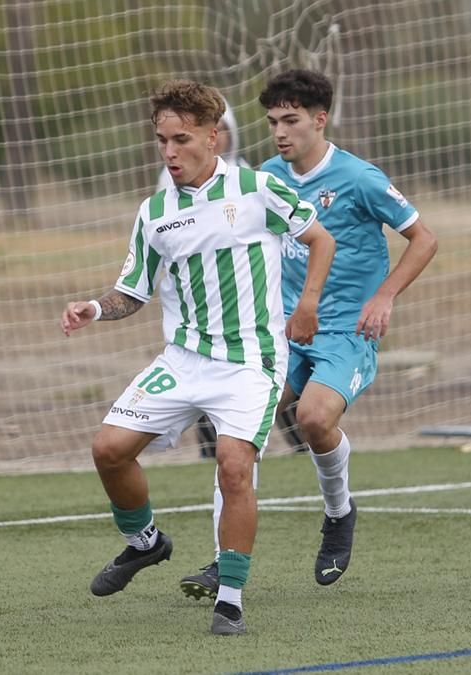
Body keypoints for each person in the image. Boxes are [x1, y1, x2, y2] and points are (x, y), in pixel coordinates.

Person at [62, 79, 335, 635]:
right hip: (185, 360)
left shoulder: (259, 189)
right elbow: (132, 292)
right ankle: (145, 543)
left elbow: (320, 240)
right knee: (108, 450)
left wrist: (306, 305)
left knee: (234, 467)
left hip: (251, 361)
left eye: (180, 139)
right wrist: (95, 306)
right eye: (160, 140)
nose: (168, 152)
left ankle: (230, 597)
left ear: (213, 137)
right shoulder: (154, 211)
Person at [179, 69, 438, 598]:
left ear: (320, 120)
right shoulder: (266, 177)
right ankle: (222, 561)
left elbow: (424, 239)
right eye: (273, 121)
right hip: (281, 331)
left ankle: (339, 512)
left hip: (346, 331)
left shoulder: (360, 178)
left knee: (314, 418)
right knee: (238, 433)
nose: (279, 131)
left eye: (291, 120)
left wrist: (383, 296)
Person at [158, 100, 309, 460]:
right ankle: (209, 450)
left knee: (269, 377)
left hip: (252, 313)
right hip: (199, 309)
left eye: (225, 130)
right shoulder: (170, 182)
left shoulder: (247, 180)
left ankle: (300, 444)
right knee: (203, 377)